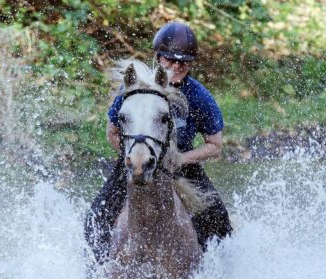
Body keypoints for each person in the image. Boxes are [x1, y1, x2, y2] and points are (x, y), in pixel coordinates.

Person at [85, 21, 232, 263]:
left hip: (182, 164)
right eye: (170, 60)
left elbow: (215, 144)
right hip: (137, 160)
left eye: (183, 61)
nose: (177, 66)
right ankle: (96, 278)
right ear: (159, 58)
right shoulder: (133, 89)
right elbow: (112, 132)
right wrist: (134, 156)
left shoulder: (199, 96)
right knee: (97, 216)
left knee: (218, 219)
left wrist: (179, 159)